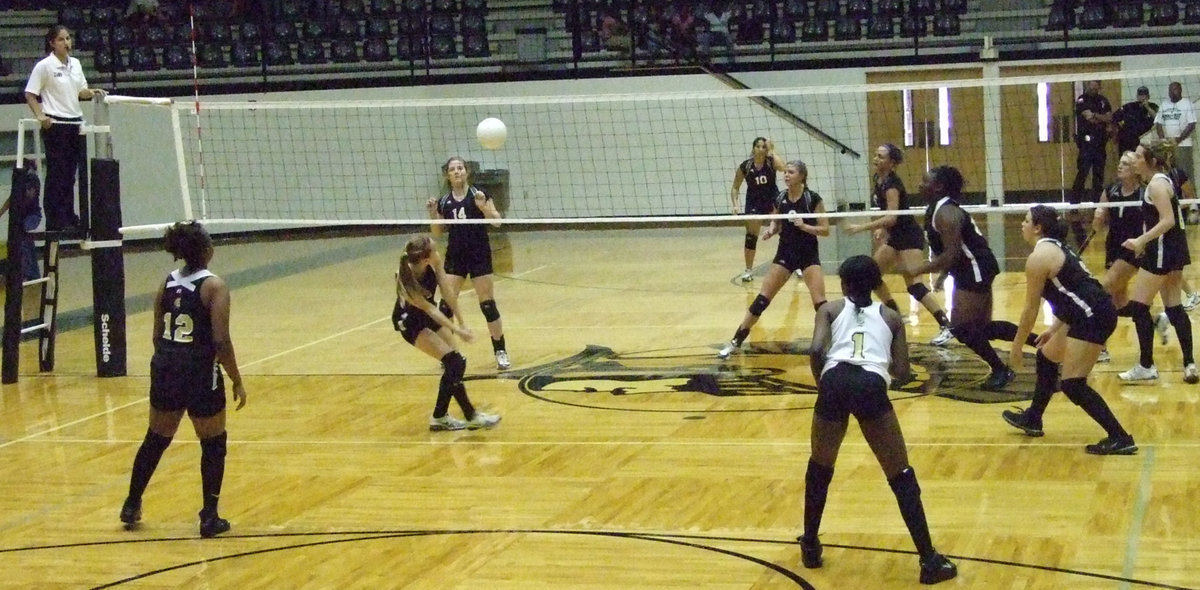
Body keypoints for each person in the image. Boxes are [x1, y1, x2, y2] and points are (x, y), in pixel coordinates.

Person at [798, 254, 957, 585]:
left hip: (834, 381)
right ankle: (929, 561)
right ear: (875, 285)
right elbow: (902, 371)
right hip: (869, 385)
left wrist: (823, 383)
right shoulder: (891, 317)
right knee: (900, 474)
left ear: (843, 284)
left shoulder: (829, 310)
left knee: (820, 467)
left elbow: (815, 350)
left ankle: (810, 546)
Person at [119, 221, 247, 538]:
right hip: (200, 372)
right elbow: (221, 341)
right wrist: (236, 378)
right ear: (206, 250)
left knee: (156, 439)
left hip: (165, 367)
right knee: (214, 443)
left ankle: (131, 504)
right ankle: (209, 516)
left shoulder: (167, 283)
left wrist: (168, 364)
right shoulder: (215, 287)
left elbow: (156, 334)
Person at [1002, 206, 1138, 455]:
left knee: (1073, 384)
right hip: (1089, 312)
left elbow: (1030, 310)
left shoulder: (1039, 258)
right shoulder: (1058, 248)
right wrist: (1055, 328)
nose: (1022, 224)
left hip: (1093, 317)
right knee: (1046, 355)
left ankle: (1120, 437)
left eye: (1026, 220)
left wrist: (1017, 346)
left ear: (1038, 228)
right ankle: (1033, 418)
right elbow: (1075, 293)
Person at [900, 166, 1033, 391]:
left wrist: (919, 269)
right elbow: (955, 250)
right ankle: (1045, 344)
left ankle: (1001, 369)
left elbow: (952, 254)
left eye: (925, 182)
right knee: (980, 328)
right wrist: (943, 274)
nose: (920, 185)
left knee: (962, 329)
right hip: (969, 267)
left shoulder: (947, 213)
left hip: (975, 268)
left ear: (939, 187)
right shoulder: (936, 209)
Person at [845, 144, 954, 347]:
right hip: (895, 237)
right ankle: (894, 312)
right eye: (875, 155)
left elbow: (893, 217)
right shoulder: (879, 180)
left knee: (915, 285)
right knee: (870, 274)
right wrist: (882, 229)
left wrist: (863, 227)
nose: (876, 159)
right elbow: (887, 214)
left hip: (908, 237)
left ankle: (946, 326)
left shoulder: (892, 184)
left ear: (892, 163)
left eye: (881, 157)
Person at [719, 160, 829, 359]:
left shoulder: (812, 199)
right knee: (762, 300)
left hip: (808, 255)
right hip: (785, 254)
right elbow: (776, 223)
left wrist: (805, 227)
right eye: (785, 172)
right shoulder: (780, 198)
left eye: (791, 172)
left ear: (802, 176)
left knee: (821, 304)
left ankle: (834, 343)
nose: (786, 175)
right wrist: (771, 230)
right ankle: (736, 341)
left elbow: (825, 229)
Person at [393, 234, 501, 431]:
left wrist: (462, 322)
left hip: (426, 316)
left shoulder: (434, 262)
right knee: (454, 362)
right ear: (426, 258)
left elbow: (447, 291)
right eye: (434, 250)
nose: (438, 252)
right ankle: (443, 416)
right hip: (410, 322)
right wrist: (457, 330)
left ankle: (468, 416)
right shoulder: (405, 277)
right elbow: (430, 309)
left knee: (456, 364)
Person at [1116, 141, 1198, 384]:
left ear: (1150, 161)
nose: (1135, 160)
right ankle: (1190, 364)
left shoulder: (1156, 185)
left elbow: (1168, 220)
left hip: (1161, 252)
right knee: (1174, 307)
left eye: (1139, 156)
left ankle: (1146, 365)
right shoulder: (1164, 179)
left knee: (1140, 307)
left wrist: (1141, 240)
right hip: (1173, 251)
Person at [426, 156, 511, 371]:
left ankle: (500, 350)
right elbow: (437, 232)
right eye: (453, 169)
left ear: (466, 172)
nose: (457, 172)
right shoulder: (444, 201)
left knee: (487, 304)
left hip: (479, 253)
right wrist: (433, 214)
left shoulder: (478, 194)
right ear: (447, 175)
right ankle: (448, 354)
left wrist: (483, 208)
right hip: (456, 255)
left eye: (460, 168)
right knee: (446, 305)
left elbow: (497, 221)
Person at [23, 25, 105, 233]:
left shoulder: (76, 64)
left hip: (74, 123)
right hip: (56, 125)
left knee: (71, 174)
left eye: (68, 38)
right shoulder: (45, 66)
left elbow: (81, 91)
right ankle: (55, 218)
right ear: (52, 43)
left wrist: (92, 92)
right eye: (61, 39)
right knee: (57, 173)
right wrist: (41, 116)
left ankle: (69, 216)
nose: (66, 43)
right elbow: (30, 94)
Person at [1091, 151, 1144, 363]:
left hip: (1133, 250)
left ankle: (1099, 347)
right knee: (1119, 302)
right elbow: (1098, 222)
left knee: (1102, 292)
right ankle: (1155, 320)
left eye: (1126, 164)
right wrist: (1098, 214)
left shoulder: (1144, 194)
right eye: (1120, 162)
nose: (1120, 166)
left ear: (1135, 169)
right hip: (1112, 248)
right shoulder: (1110, 191)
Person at [730, 137, 787, 282]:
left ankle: (795, 265)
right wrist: (735, 204)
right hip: (754, 202)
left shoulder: (770, 161)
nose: (761, 149)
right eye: (758, 146)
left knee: (786, 231)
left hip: (772, 200)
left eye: (764, 147)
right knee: (751, 235)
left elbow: (783, 168)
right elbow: (735, 187)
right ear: (753, 148)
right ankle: (748, 270)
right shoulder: (746, 166)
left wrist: (772, 150)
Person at [1068, 80, 1113, 248]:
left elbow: (1109, 117)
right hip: (1086, 145)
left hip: (1100, 144)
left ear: (1099, 87)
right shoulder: (1081, 100)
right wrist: (1101, 118)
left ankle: (1097, 206)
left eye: (1096, 87)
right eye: (1091, 86)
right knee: (1082, 175)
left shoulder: (1103, 100)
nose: (1093, 89)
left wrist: (1099, 117)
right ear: (1087, 86)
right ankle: (1074, 205)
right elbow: (1090, 118)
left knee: (1098, 177)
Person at [0, 160, 44, 281]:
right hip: (23, 218)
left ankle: (28, 273)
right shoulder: (21, 181)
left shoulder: (32, 179)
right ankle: (32, 273)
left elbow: (30, 196)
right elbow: (11, 198)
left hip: (33, 216)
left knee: (23, 238)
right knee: (25, 243)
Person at [1154, 82, 1196, 191]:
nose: (1172, 92)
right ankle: (1175, 198)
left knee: (1185, 172)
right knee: (1170, 173)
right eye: (1170, 90)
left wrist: (1179, 139)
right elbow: (1158, 123)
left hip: (1183, 145)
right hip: (1168, 146)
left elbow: (1191, 124)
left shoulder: (1188, 104)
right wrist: (1163, 140)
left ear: (1180, 90)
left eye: (1175, 89)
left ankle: (1192, 203)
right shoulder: (1164, 105)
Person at [1114, 86, 1158, 155]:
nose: (1142, 97)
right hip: (1128, 141)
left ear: (1148, 96)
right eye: (1140, 95)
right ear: (1137, 96)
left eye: (1144, 95)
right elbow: (1114, 117)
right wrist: (1118, 132)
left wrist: (1147, 107)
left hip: (1144, 141)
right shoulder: (1129, 107)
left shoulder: (1153, 106)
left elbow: (1157, 118)